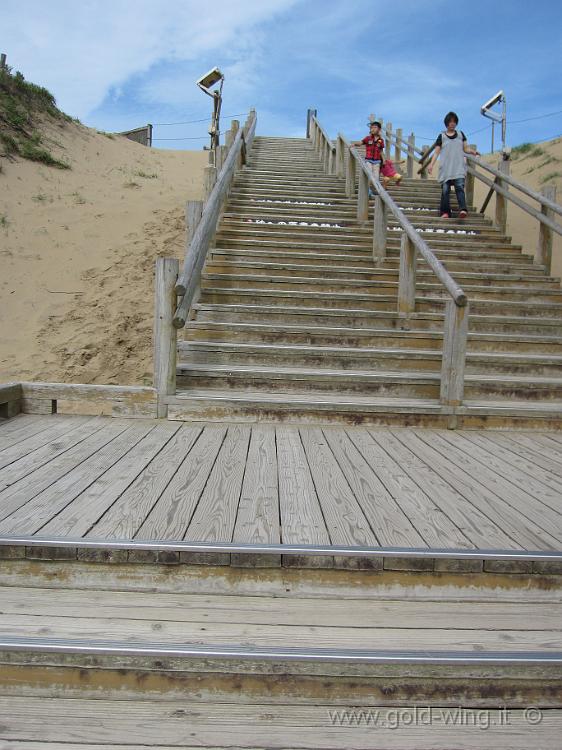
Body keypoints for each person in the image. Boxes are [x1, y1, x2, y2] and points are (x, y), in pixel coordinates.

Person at [427, 111, 479, 219]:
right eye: (450, 122)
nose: (452, 124)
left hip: (458, 167)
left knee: (459, 187)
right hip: (446, 168)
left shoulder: (461, 134)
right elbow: (436, 152)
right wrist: (431, 164)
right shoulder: (441, 136)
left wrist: (473, 152)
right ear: (447, 123)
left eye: (454, 122)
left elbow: (465, 148)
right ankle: (445, 212)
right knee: (445, 190)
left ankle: (463, 209)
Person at [352, 121, 401, 193]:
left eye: (375, 127)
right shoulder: (368, 138)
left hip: (377, 161)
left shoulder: (381, 140)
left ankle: (372, 189)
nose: (373, 129)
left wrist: (384, 160)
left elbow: (381, 151)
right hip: (368, 160)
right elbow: (361, 143)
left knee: (376, 177)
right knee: (370, 173)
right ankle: (368, 189)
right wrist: (354, 144)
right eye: (372, 127)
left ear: (379, 129)